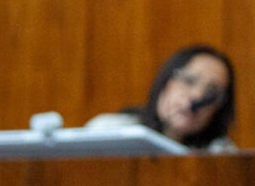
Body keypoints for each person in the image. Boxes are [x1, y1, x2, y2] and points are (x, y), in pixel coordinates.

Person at [86, 44, 237, 151]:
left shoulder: (220, 155)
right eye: (189, 80)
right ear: (166, 82)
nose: (197, 96)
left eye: (211, 94)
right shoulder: (111, 131)